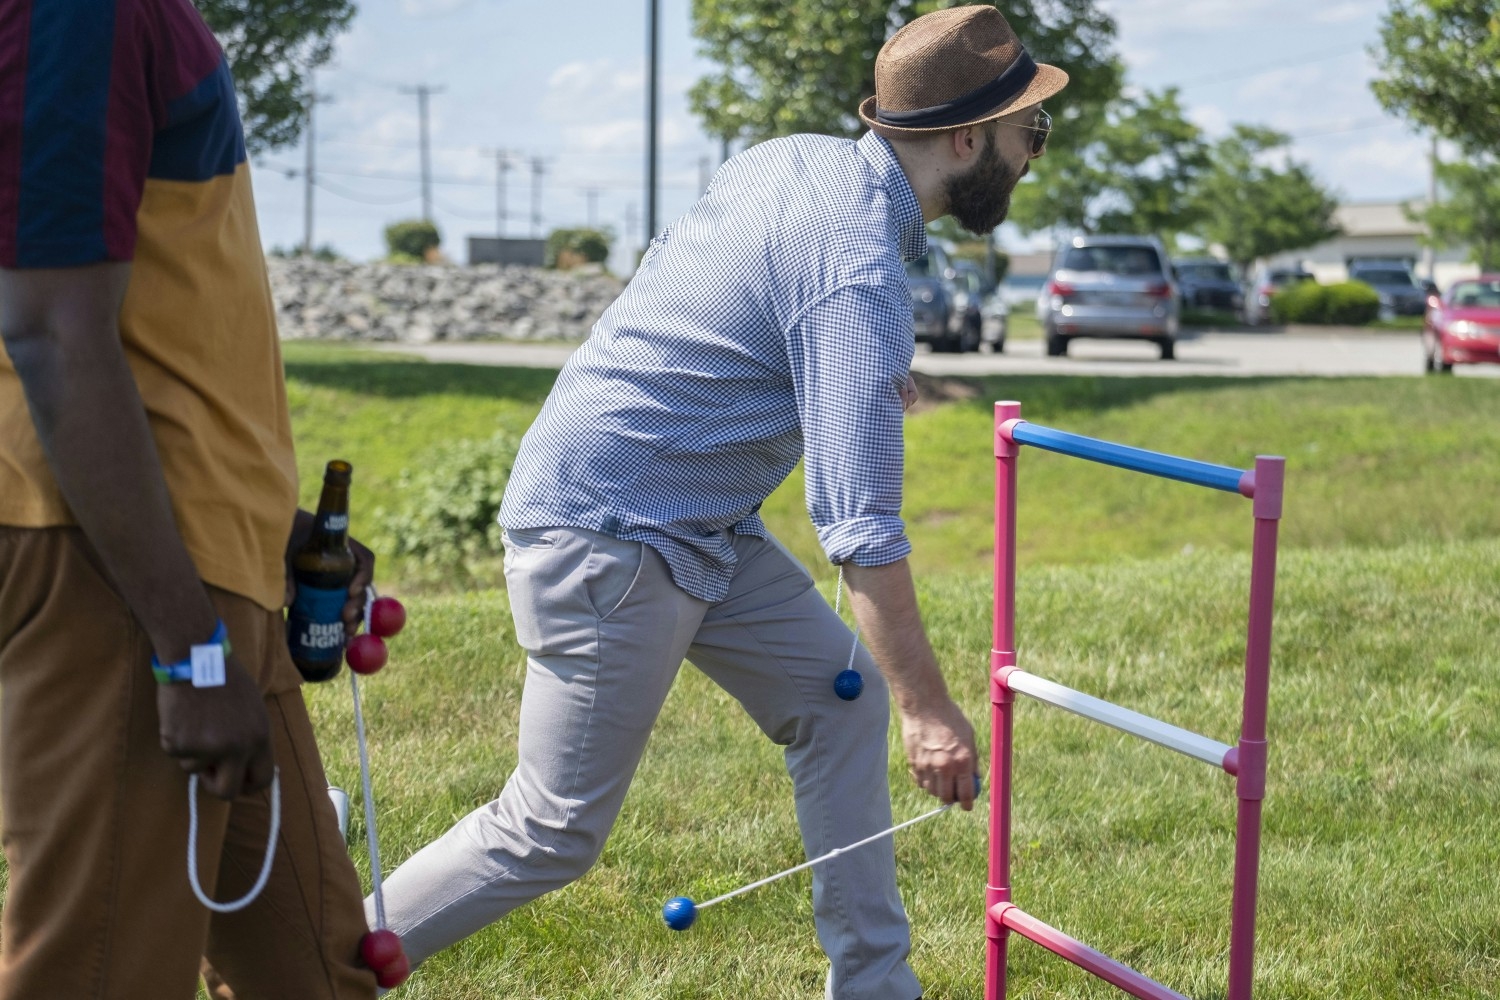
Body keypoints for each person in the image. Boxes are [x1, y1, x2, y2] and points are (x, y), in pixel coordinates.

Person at [373, 6, 1066, 998]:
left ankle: (877, 987)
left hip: (695, 522)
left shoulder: (793, 163)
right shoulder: (858, 267)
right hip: (612, 530)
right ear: (966, 140)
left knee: (841, 702)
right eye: (1028, 132)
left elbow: (716, 309)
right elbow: (861, 534)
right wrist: (931, 711)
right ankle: (309, 964)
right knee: (551, 826)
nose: (1034, 154)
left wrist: (845, 377)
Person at [0, 2, 378, 997]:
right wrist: (188, 649)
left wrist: (268, 525)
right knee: (101, 971)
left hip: (201, 561)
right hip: (125, 577)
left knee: (316, 968)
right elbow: (49, 328)